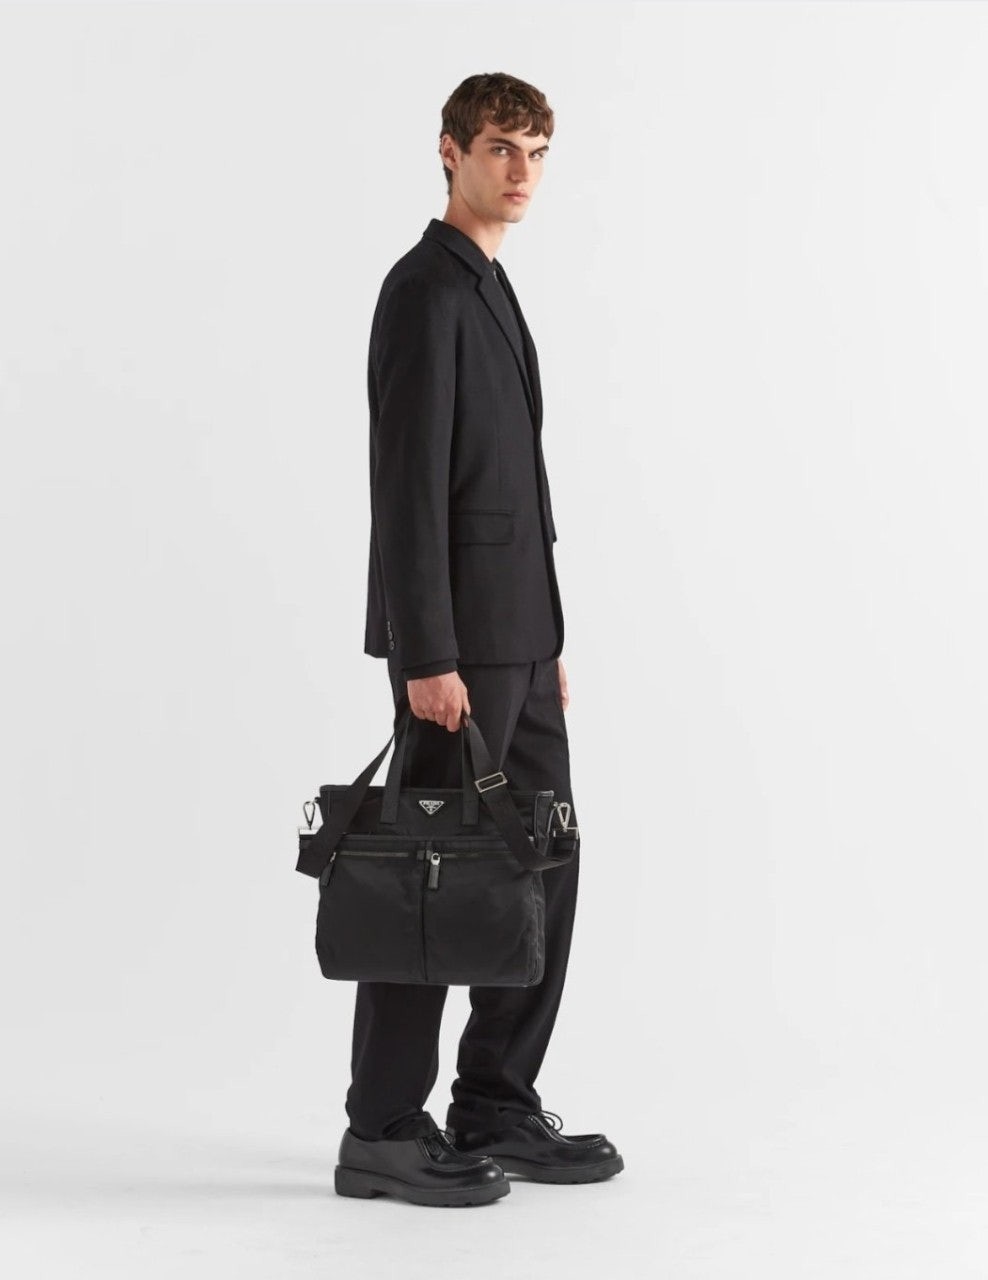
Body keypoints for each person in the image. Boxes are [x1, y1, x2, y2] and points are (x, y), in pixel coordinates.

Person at [334, 71, 624, 1207]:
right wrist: (426, 654)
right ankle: (382, 1127)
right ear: (449, 152)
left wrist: (543, 636)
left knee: (542, 856)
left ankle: (495, 1095)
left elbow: (510, 485)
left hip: (519, 640)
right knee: (431, 869)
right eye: (501, 147)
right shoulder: (424, 290)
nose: (521, 171)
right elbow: (405, 487)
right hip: (456, 649)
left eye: (536, 151)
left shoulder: (489, 284)